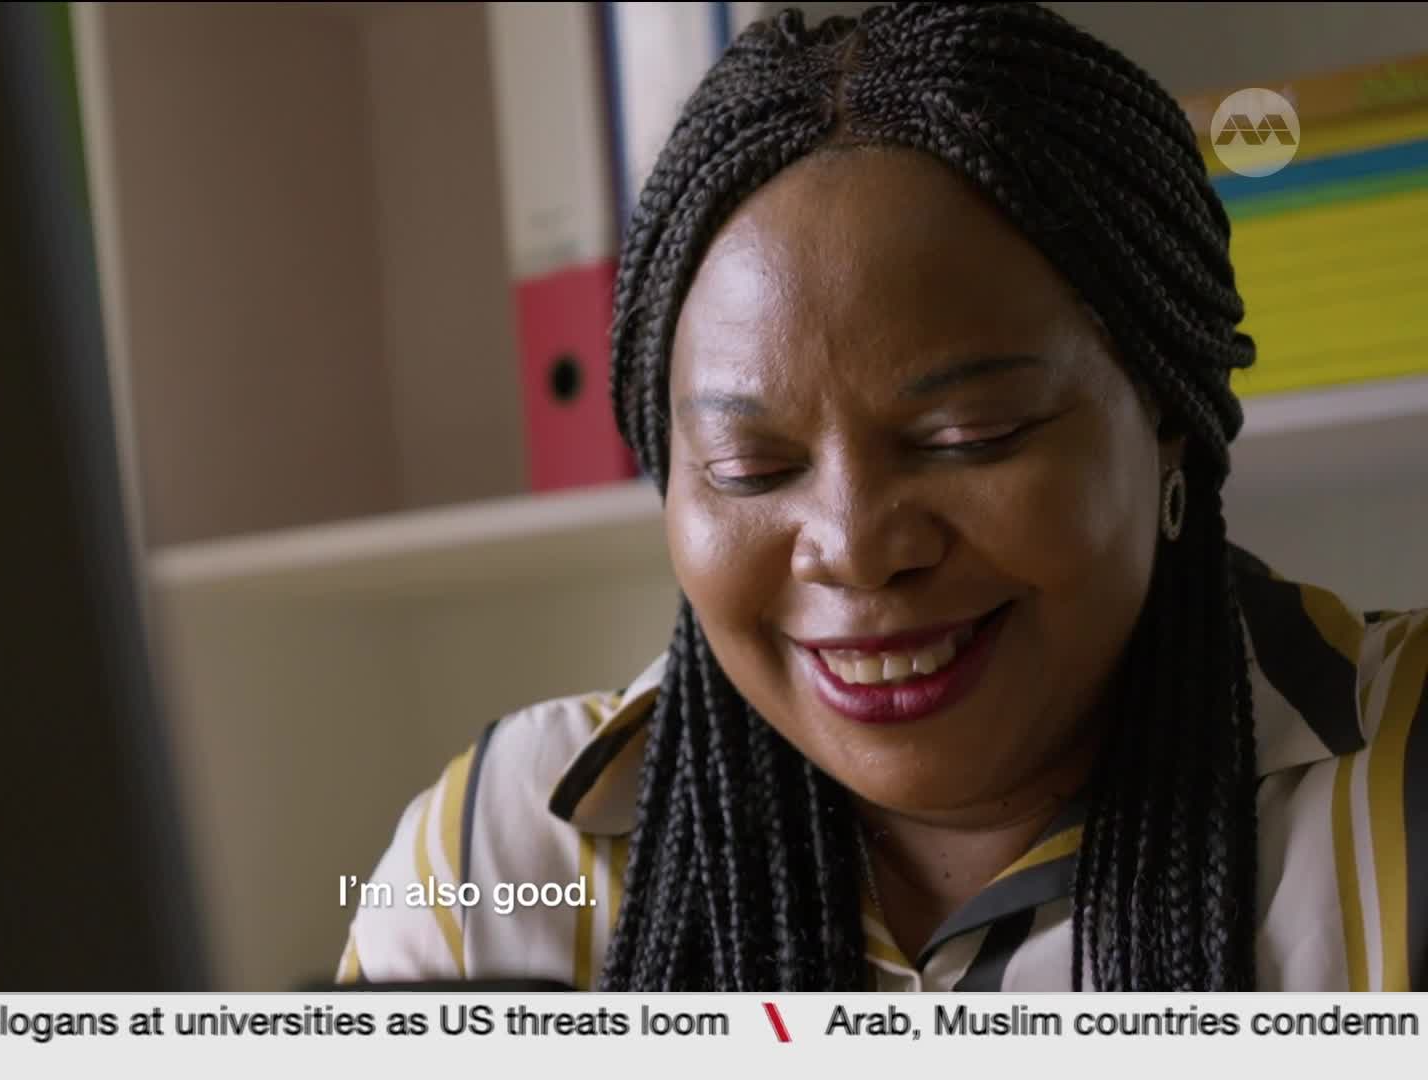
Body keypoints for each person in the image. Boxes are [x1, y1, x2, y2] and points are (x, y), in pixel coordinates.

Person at [335, 1, 1428, 992]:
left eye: (970, 438)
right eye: (750, 470)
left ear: (1167, 418)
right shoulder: (497, 864)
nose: (857, 547)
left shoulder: (1403, 781)